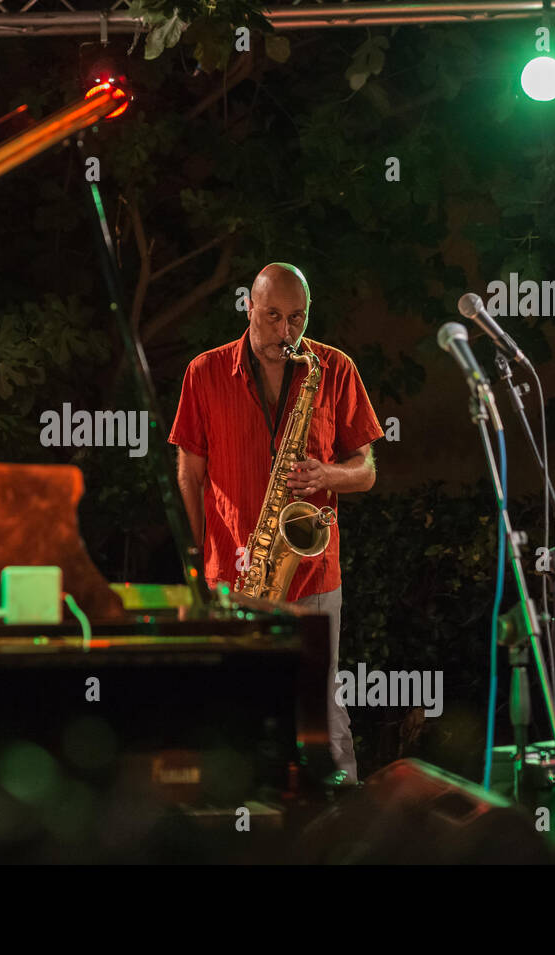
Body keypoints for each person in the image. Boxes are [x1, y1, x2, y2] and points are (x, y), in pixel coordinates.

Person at [169, 263, 383, 784]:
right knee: (234, 711)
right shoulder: (204, 372)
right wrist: (201, 565)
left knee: (324, 710)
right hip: (234, 578)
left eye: (297, 319)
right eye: (272, 317)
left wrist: (328, 473)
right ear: (249, 307)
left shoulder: (333, 368)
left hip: (312, 576)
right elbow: (190, 475)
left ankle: (338, 827)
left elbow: (368, 472)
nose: (285, 333)